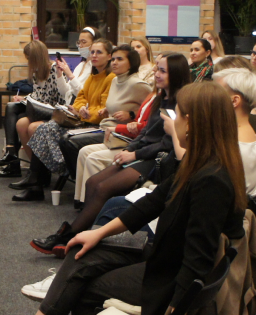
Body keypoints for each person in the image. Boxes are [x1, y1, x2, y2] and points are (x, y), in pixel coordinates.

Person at [0, 82, 249, 315]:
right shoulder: (199, 164)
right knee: (82, 251)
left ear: (195, 123)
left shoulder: (210, 179)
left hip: (168, 278)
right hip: (162, 260)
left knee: (86, 285)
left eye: (179, 116)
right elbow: (151, 204)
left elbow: (196, 264)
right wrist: (98, 233)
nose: (174, 122)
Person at [32, 54, 190, 255]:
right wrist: (130, 149)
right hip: (143, 153)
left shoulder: (180, 103)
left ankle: (69, 237)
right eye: (157, 69)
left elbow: (166, 144)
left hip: (157, 160)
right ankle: (83, 235)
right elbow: (146, 133)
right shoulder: (161, 99)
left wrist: (134, 154)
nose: (156, 74)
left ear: (176, 73)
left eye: (162, 71)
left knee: (104, 188)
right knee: (92, 183)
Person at [11, 39, 114, 201]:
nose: (93, 56)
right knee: (45, 127)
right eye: (92, 52)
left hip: (95, 125)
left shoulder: (110, 78)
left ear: (109, 56)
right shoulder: (94, 76)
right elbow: (81, 97)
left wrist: (84, 112)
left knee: (44, 128)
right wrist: (79, 108)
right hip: (83, 119)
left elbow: (104, 110)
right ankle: (35, 182)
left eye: (99, 52)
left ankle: (37, 179)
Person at [55, 44, 150, 180]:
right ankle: (81, 183)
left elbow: (150, 110)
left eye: (120, 59)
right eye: (114, 59)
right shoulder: (116, 80)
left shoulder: (138, 84)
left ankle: (79, 180)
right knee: (65, 138)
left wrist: (131, 114)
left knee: (68, 141)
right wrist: (105, 110)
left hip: (120, 133)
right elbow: (84, 96)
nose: (115, 63)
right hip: (105, 127)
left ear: (131, 63)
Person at [0, 41, 67, 178]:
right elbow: (37, 94)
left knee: (15, 111)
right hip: (40, 108)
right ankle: (30, 166)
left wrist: (28, 101)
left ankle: (14, 157)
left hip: (54, 112)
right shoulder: (37, 73)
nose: (28, 63)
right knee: (18, 117)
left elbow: (54, 98)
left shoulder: (54, 70)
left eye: (29, 59)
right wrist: (24, 99)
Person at [213, 67, 256, 199]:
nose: (210, 98)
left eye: (216, 94)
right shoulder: (238, 131)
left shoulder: (239, 145)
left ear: (234, 101)